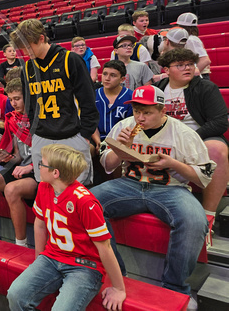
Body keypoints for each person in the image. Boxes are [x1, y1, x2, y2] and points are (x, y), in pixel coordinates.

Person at [91, 85, 214, 300]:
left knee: (194, 221)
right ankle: (116, 273)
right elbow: (108, 164)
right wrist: (122, 149)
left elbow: (203, 177)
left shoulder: (183, 132)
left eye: (147, 112)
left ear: (162, 110)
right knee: (89, 203)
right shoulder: (125, 127)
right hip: (129, 184)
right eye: (137, 111)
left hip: (171, 188)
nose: (140, 117)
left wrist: (174, 163)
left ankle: (175, 290)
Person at [7, 144, 126, 311]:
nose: (39, 166)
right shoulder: (43, 187)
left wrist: (119, 288)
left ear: (55, 173)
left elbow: (105, 247)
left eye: (42, 163)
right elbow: (40, 225)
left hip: (84, 266)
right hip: (51, 257)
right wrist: (38, 261)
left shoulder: (85, 202)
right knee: (16, 294)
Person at [10, 18, 98, 186]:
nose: (26, 52)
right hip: (42, 137)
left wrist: (85, 136)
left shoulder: (69, 60)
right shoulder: (28, 69)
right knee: (45, 190)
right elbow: (30, 105)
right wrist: (34, 131)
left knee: (75, 191)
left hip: (71, 136)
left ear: (42, 38)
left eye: (29, 47)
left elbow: (88, 101)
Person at [156, 48, 229, 217]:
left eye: (190, 64)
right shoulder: (157, 90)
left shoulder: (205, 87)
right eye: (180, 65)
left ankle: (208, 213)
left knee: (216, 150)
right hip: (165, 138)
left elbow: (219, 123)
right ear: (166, 70)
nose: (187, 68)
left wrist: (190, 139)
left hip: (200, 137)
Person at [0, 79, 35, 246]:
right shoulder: (13, 119)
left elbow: (48, 155)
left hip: (37, 171)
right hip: (21, 168)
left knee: (11, 189)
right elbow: (18, 155)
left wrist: (28, 167)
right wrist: (8, 157)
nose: (13, 103)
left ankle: (20, 243)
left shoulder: (40, 119)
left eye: (17, 98)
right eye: (10, 99)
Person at [93, 61, 133, 146]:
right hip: (96, 138)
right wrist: (98, 141)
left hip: (121, 140)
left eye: (113, 75)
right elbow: (89, 122)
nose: (107, 78)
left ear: (122, 79)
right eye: (105, 74)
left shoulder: (131, 97)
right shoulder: (93, 95)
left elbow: (131, 125)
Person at [173, 12, 211, 79]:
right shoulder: (190, 39)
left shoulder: (191, 39)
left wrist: (192, 74)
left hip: (201, 76)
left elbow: (205, 60)